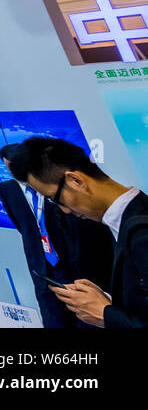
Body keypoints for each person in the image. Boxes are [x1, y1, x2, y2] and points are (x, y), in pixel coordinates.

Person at [8, 137, 148, 328]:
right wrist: (105, 301)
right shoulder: (127, 218)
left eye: (55, 199)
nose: (65, 211)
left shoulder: (141, 231)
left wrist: (106, 315)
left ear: (76, 180)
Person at [0, 143, 112, 328]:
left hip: (75, 264)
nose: (17, 173)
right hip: (43, 268)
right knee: (54, 320)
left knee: (86, 320)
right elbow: (24, 226)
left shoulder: (54, 186)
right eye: (11, 169)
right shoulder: (7, 189)